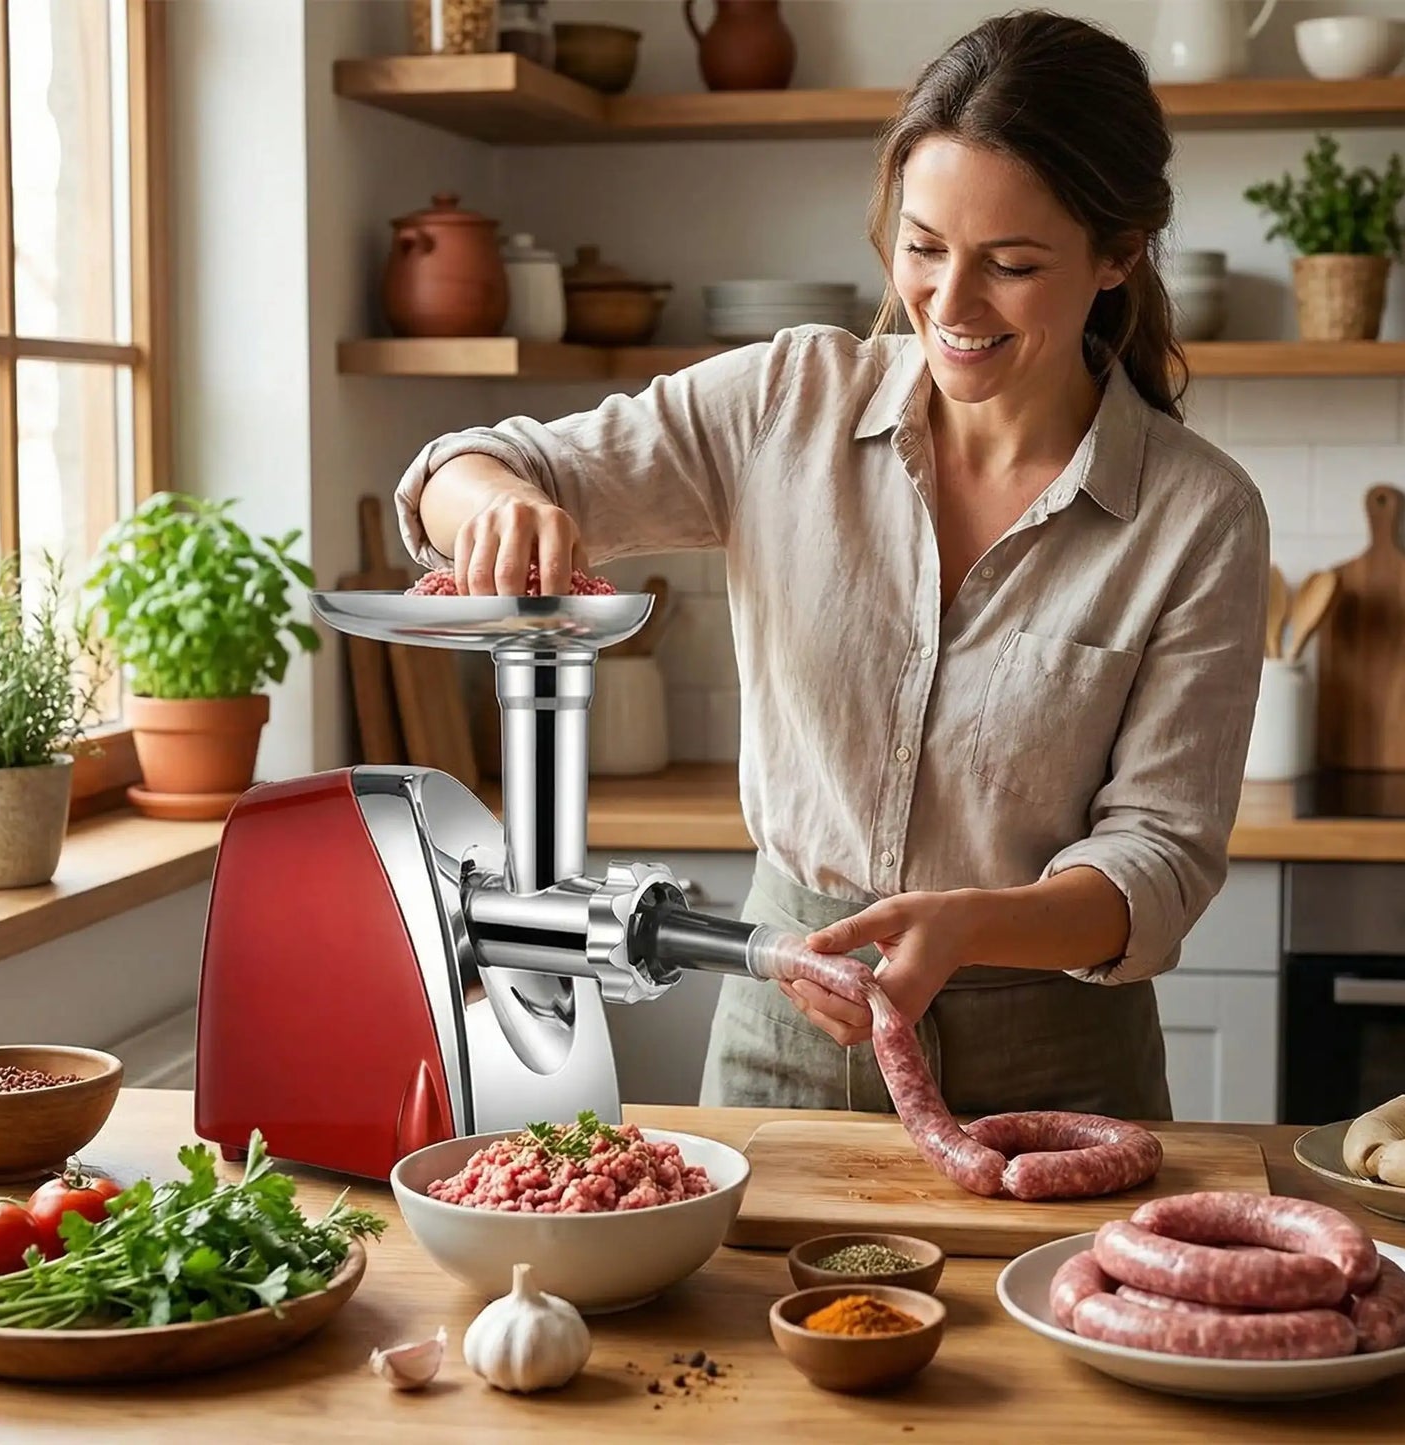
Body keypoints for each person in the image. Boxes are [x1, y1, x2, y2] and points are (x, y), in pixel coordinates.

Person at [393, 10, 1268, 1121]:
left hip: (1053, 1064)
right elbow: (457, 470)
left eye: (1009, 264)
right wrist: (504, 500)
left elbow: (1158, 859)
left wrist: (969, 925)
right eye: (922, 247)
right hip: (779, 1035)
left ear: (1117, 252)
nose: (947, 306)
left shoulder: (1197, 515)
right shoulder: (783, 403)